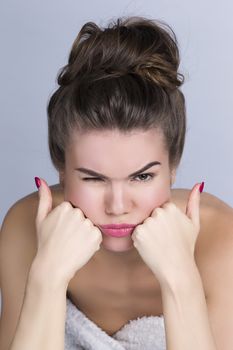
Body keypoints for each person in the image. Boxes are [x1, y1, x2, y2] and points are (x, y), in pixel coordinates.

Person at [0, 16, 232, 350]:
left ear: (174, 167)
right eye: (94, 178)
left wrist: (181, 279)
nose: (118, 206)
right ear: (61, 170)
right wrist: (47, 278)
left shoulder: (222, 239)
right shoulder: (25, 226)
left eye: (142, 176)